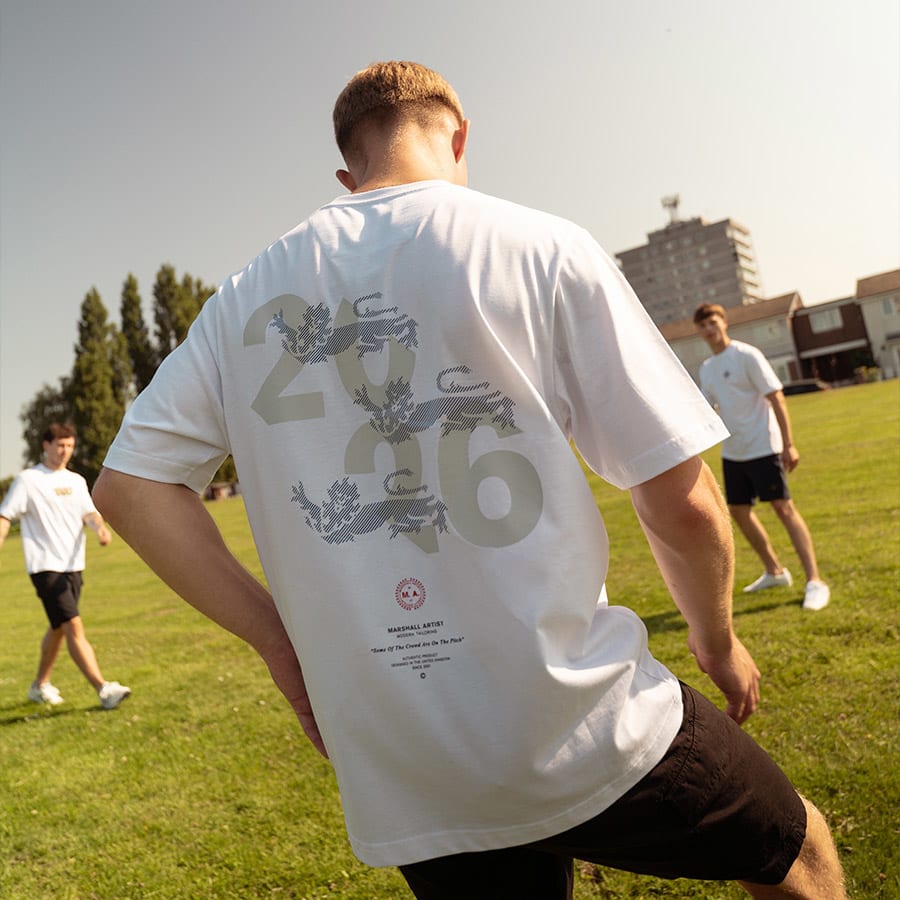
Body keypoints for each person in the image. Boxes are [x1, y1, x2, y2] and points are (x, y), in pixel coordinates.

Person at [93, 61, 844, 898]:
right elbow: (682, 498)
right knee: (799, 850)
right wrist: (716, 639)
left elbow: (129, 487)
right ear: (459, 135)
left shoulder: (242, 299)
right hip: (577, 715)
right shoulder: (537, 244)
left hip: (406, 753)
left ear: (348, 172)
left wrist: (278, 640)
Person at [693, 303, 831, 612]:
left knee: (784, 509)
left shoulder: (747, 355)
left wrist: (789, 444)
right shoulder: (707, 368)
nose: (709, 329)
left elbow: (776, 397)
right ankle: (774, 571)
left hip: (764, 447)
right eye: (702, 326)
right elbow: (706, 408)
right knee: (739, 512)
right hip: (734, 453)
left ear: (724, 322)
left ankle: (815, 581)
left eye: (713, 322)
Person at [0, 423, 131, 710]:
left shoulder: (76, 481)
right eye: (60, 445)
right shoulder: (28, 480)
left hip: (73, 565)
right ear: (45, 445)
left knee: (58, 626)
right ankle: (103, 688)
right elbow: (5, 515)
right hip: (45, 567)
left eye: (70, 446)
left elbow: (90, 513)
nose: (65, 451)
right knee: (73, 625)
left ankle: (39, 685)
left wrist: (101, 529)